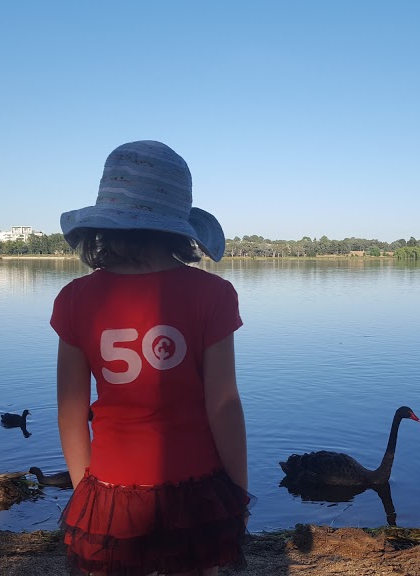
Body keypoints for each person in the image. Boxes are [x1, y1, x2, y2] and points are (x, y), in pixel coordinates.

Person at [50, 140, 250, 576]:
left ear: (104, 224)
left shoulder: (74, 299)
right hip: (196, 485)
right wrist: (237, 492)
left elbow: (70, 413)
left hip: (110, 483)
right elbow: (224, 404)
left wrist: (89, 490)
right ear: (179, 226)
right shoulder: (212, 294)